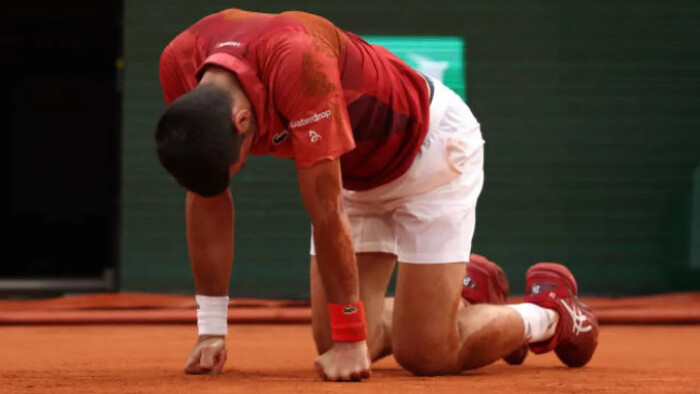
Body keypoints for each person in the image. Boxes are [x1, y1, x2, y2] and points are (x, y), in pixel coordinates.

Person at [155, 8, 599, 381]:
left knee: (426, 355)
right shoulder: (180, 61)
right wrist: (211, 330)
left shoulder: (299, 61)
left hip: (429, 155)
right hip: (352, 172)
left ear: (240, 122)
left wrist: (353, 342)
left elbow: (327, 213)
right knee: (333, 337)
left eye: (237, 162)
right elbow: (206, 197)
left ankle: (550, 314)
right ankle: (462, 295)